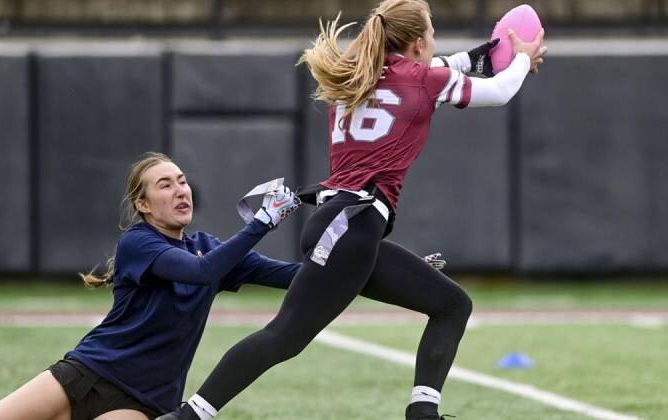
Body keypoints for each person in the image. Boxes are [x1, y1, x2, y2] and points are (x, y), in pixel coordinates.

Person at [157, 1, 547, 419]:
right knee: (284, 336)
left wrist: (479, 56)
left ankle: (423, 414)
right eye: (431, 33)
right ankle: (188, 416)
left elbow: (428, 71)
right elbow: (499, 90)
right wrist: (521, 58)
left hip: (345, 227)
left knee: (452, 306)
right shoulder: (421, 80)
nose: (434, 42)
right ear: (417, 43)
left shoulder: (357, 74)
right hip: (350, 229)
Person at [0, 152, 302, 420]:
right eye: (165, 185)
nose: (180, 190)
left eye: (182, 182)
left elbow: (297, 276)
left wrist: (343, 250)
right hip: (89, 374)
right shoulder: (138, 241)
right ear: (143, 205)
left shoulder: (209, 247)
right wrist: (263, 221)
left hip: (145, 402)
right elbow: (201, 272)